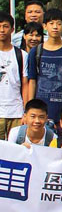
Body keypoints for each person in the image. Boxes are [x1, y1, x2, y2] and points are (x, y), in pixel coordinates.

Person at [27, 8, 62, 127]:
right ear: (44, 26)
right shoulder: (36, 52)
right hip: (40, 111)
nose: (55, 27)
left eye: (59, 24)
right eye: (51, 23)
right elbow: (32, 81)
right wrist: (28, 109)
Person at [0, 11, 28, 141]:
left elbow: (25, 84)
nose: (2, 30)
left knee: (16, 148)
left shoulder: (22, 55)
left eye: (5, 26)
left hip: (16, 112)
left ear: (12, 29)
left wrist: (26, 111)